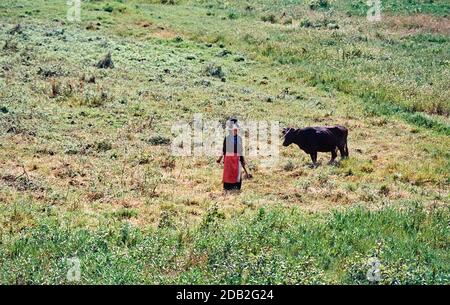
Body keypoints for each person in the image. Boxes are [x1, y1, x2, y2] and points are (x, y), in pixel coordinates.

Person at [216, 118, 247, 192]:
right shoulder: (227, 138)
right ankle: (227, 188)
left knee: (237, 173)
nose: (235, 131)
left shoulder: (239, 139)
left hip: (237, 158)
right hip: (228, 159)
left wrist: (243, 159)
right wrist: (220, 158)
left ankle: (236, 187)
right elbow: (224, 150)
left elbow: (240, 150)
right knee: (228, 174)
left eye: (236, 130)